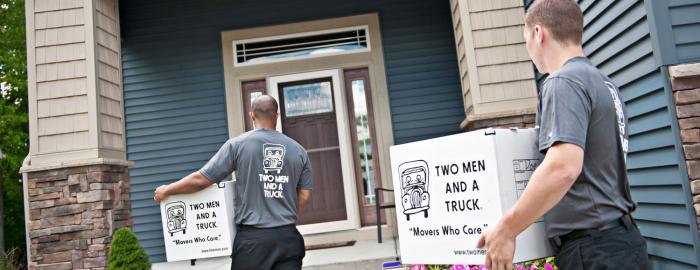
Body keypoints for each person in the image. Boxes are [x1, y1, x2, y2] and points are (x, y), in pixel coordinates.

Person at [476, 0, 649, 269]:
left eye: (525, 39)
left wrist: (507, 229)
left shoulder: (563, 81)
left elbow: (563, 167)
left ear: (538, 33)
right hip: (620, 242)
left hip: (595, 252)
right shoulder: (603, 83)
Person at [154, 95, 313, 270]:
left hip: (253, 242)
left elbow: (201, 180)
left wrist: (167, 191)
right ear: (277, 115)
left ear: (252, 115)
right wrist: (282, 217)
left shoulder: (237, 145)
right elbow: (304, 196)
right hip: (288, 238)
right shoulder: (299, 151)